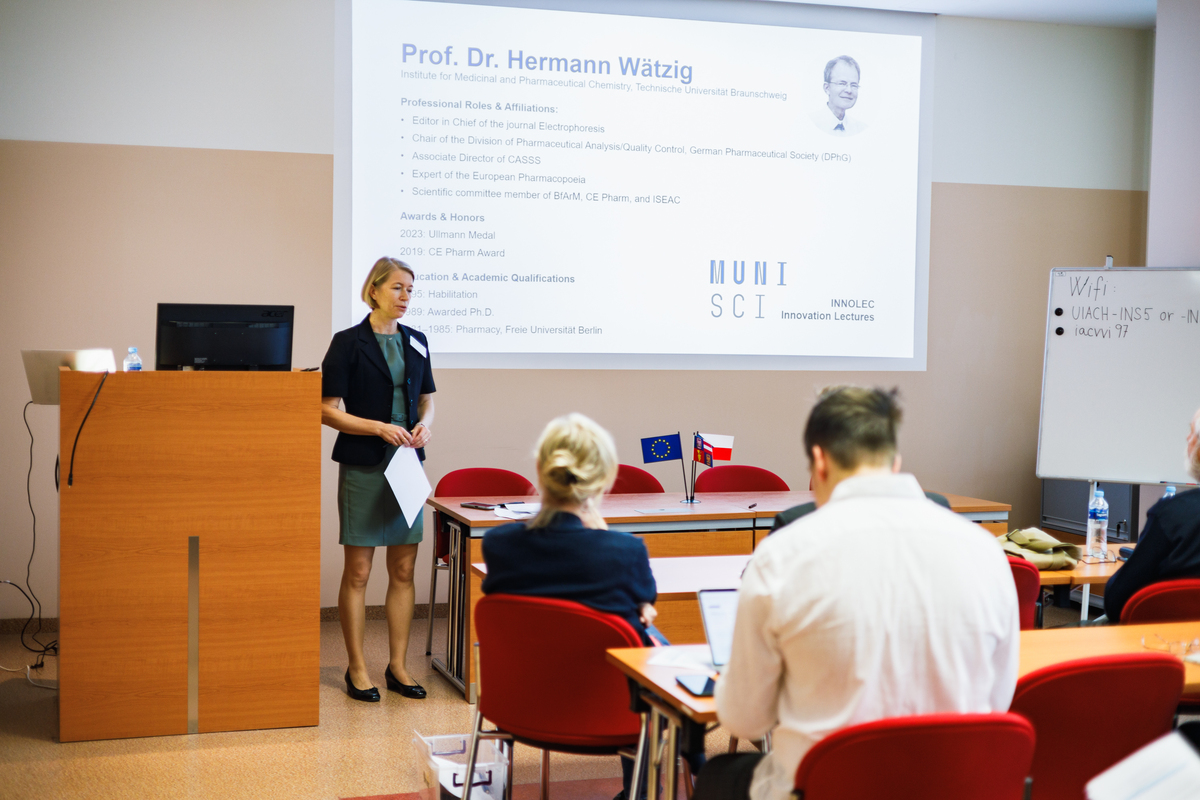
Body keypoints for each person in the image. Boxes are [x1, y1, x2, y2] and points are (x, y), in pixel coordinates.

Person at [694, 387, 1019, 800]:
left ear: (819, 460)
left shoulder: (782, 556)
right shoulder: (984, 550)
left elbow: (745, 721)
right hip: (952, 786)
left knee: (719, 775)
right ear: (894, 461)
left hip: (826, 787)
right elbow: (998, 698)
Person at [480, 413, 664, 800]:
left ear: (539, 469)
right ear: (605, 478)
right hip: (612, 717)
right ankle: (646, 788)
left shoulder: (498, 544)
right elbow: (644, 595)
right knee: (650, 640)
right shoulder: (625, 551)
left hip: (517, 708)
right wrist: (602, 534)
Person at [321, 256, 436, 702]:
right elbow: (326, 409)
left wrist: (425, 425)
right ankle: (357, 669)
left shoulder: (417, 341)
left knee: (403, 568)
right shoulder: (348, 342)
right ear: (374, 290)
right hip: (365, 465)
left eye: (410, 290)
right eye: (397, 288)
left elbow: (426, 400)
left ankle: (398, 667)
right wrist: (376, 427)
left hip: (407, 465)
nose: (405, 297)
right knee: (359, 570)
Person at [1104, 407, 1200, 622]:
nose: (1187, 438)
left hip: (1161, 636)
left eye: (1192, 432)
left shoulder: (1171, 516)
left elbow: (1116, 599)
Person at [811, 55, 865, 136]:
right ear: (827, 88)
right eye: (842, 83)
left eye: (854, 85)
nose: (849, 90)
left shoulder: (861, 129)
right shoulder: (811, 124)